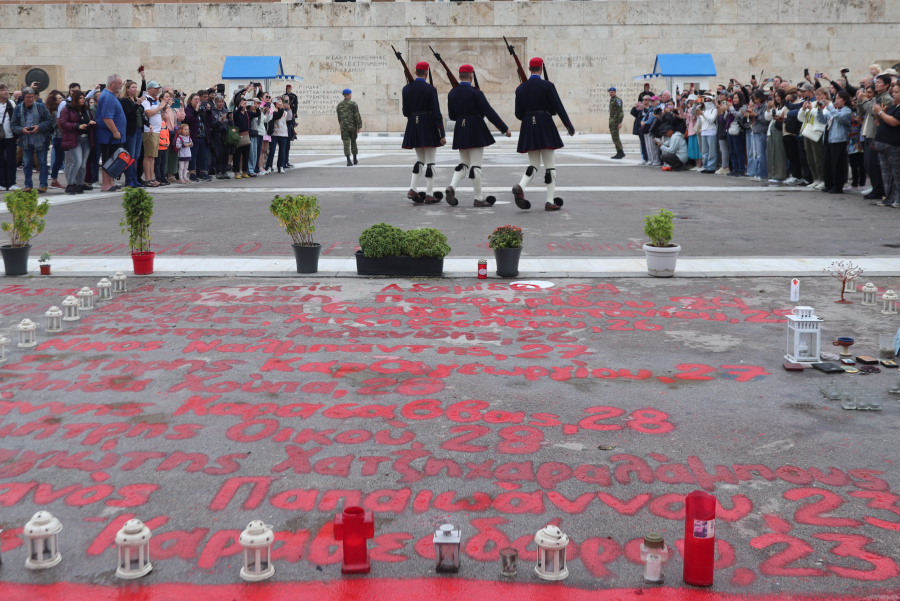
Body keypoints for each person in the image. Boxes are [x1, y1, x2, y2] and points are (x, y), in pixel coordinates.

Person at [511, 57, 574, 212]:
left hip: (528, 125)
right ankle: (549, 201)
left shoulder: (520, 88)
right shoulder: (547, 85)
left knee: (533, 164)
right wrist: (568, 125)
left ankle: (521, 185)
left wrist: (529, 118)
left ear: (529, 69)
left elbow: (518, 113)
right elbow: (558, 106)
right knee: (550, 166)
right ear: (541, 68)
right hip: (544, 123)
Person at [444, 64, 509, 208]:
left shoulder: (452, 93)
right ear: (471, 76)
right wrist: (504, 128)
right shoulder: (476, 93)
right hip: (475, 126)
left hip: (460, 127)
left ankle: (452, 187)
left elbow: (452, 116)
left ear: (459, 76)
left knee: (464, 163)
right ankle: (478, 198)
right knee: (476, 164)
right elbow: (488, 111)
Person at [401, 61, 446, 204]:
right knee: (431, 162)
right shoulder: (430, 89)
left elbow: (405, 112)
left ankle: (412, 188)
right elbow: (436, 112)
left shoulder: (406, 88)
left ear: (415, 72)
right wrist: (441, 133)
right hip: (428, 124)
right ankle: (429, 194)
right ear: (427, 73)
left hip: (413, 124)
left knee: (420, 160)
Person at [10, 87, 53, 193]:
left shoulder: (40, 107)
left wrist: (39, 127)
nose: (30, 99)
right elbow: (13, 125)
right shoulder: (18, 108)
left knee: (42, 162)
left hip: (40, 139)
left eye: (32, 97)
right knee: (28, 163)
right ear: (23, 98)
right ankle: (28, 185)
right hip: (25, 140)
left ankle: (43, 184)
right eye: (28, 97)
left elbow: (49, 121)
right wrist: (21, 130)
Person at [862, 75, 894, 200]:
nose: (876, 84)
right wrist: (862, 101)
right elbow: (864, 111)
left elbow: (872, 111)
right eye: (876, 82)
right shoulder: (876, 97)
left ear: (886, 85)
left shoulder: (886, 99)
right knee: (868, 164)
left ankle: (879, 189)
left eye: (879, 82)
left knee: (875, 164)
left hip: (877, 134)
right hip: (869, 132)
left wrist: (865, 100)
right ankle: (876, 188)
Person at [94, 74, 127, 192]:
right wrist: (115, 131)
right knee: (108, 159)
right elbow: (107, 117)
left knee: (113, 159)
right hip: (108, 135)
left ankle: (110, 182)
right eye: (119, 84)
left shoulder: (110, 95)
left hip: (112, 135)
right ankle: (106, 184)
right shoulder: (108, 97)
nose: (121, 86)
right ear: (112, 84)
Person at [58, 90, 94, 195]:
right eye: (80, 98)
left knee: (83, 164)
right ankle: (70, 184)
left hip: (86, 138)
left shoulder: (86, 110)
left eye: (83, 98)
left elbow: (90, 120)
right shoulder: (67, 110)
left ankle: (80, 184)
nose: (83, 100)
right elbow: (63, 123)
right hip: (74, 138)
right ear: (75, 99)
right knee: (77, 161)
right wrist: (77, 126)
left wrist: (92, 123)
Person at [871, 82, 900, 207]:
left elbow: (894, 122)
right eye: (893, 92)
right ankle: (888, 197)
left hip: (894, 144)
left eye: (896, 92)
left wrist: (881, 113)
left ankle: (898, 199)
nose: (893, 94)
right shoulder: (894, 106)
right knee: (886, 174)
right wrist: (880, 113)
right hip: (883, 143)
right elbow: (880, 122)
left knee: (896, 174)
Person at [819, 90, 852, 194]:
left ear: (845, 100)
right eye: (835, 98)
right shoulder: (835, 109)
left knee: (837, 164)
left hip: (839, 139)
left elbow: (840, 117)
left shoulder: (846, 110)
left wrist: (830, 107)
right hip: (829, 138)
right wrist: (819, 110)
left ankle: (838, 186)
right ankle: (829, 184)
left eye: (838, 99)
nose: (836, 101)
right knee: (827, 163)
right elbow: (823, 120)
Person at [798, 89, 828, 189]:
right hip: (807, 132)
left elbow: (822, 117)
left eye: (820, 95)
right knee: (810, 158)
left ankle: (822, 179)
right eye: (817, 95)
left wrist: (811, 109)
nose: (818, 97)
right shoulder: (813, 103)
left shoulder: (828, 105)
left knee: (818, 158)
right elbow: (800, 118)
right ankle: (816, 179)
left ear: (826, 95)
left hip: (817, 133)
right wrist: (803, 109)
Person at [119, 80, 145, 188]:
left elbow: (140, 115)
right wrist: (137, 104)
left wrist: (143, 79)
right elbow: (129, 115)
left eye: (136, 87)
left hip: (139, 130)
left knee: (137, 156)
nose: (135, 89)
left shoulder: (135, 100)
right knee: (131, 156)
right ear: (128, 89)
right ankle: (129, 180)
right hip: (131, 131)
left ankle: (135, 178)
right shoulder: (125, 101)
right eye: (133, 87)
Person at [141, 81, 164, 187]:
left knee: (152, 156)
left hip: (156, 131)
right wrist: (160, 108)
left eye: (158, 88)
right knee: (148, 156)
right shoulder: (146, 99)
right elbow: (148, 113)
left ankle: (151, 177)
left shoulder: (155, 101)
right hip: (149, 131)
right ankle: (148, 178)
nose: (157, 90)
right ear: (149, 89)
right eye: (155, 88)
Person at [764, 89, 788, 183]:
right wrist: (768, 108)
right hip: (771, 131)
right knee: (771, 154)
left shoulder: (784, 107)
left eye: (779, 96)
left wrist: (773, 108)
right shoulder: (777, 107)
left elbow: (780, 118)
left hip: (779, 131)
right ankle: (772, 174)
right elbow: (768, 117)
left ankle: (779, 175)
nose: (777, 98)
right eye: (776, 96)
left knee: (778, 154)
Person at [337, 89, 363, 166]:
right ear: (348, 95)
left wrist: (341, 125)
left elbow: (339, 117)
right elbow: (357, 116)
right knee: (353, 142)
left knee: (346, 142)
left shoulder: (339, 105)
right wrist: (359, 126)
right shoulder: (353, 104)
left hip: (344, 127)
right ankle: (355, 159)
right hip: (352, 127)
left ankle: (348, 160)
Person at [46, 90, 66, 190]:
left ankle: (54, 180)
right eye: (60, 98)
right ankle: (54, 180)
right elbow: (57, 125)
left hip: (58, 137)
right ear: (55, 102)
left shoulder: (56, 111)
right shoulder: (55, 113)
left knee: (60, 159)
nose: (62, 99)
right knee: (59, 158)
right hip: (59, 137)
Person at [694, 94, 718, 173]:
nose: (707, 102)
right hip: (703, 131)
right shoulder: (703, 110)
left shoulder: (714, 110)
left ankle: (711, 167)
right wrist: (698, 116)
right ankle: (706, 166)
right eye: (705, 100)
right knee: (704, 151)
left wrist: (702, 114)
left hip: (711, 131)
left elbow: (711, 120)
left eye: (709, 100)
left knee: (712, 151)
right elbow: (701, 123)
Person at [0, 83, 18, 191]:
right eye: (3, 90)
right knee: (0, 160)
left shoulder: (11, 104)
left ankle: (11, 183)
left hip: (10, 137)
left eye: (7, 90)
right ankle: (1, 183)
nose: (6, 92)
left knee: (11, 160)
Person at [210, 94, 232, 178]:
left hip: (226, 134)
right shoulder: (213, 111)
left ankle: (224, 171)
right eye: (219, 102)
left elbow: (231, 124)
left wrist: (231, 119)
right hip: (217, 134)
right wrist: (220, 120)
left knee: (226, 153)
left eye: (222, 102)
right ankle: (218, 171)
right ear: (215, 102)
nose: (221, 103)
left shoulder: (226, 111)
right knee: (219, 153)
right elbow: (212, 124)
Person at [266, 96, 289, 174]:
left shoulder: (285, 112)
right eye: (277, 101)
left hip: (283, 133)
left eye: (280, 101)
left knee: (282, 151)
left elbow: (289, 118)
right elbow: (275, 116)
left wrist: (288, 108)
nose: (279, 102)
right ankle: (269, 166)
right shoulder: (273, 110)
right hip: (274, 133)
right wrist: (270, 102)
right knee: (272, 151)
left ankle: (281, 166)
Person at [231, 98, 251, 178]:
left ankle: (244, 171)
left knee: (246, 155)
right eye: (242, 103)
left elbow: (257, 114)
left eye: (245, 103)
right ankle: (236, 172)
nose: (244, 105)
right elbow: (234, 115)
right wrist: (240, 107)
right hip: (238, 135)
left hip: (246, 135)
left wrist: (256, 107)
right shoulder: (236, 112)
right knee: (237, 155)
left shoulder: (247, 113)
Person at [608, 87, 625, 159]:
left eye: (612, 92)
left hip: (615, 122)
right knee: (614, 138)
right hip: (612, 122)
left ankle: (620, 152)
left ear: (615, 92)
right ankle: (619, 152)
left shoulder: (617, 100)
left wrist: (620, 122)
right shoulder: (612, 100)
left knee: (616, 137)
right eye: (610, 92)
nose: (610, 93)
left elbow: (620, 112)